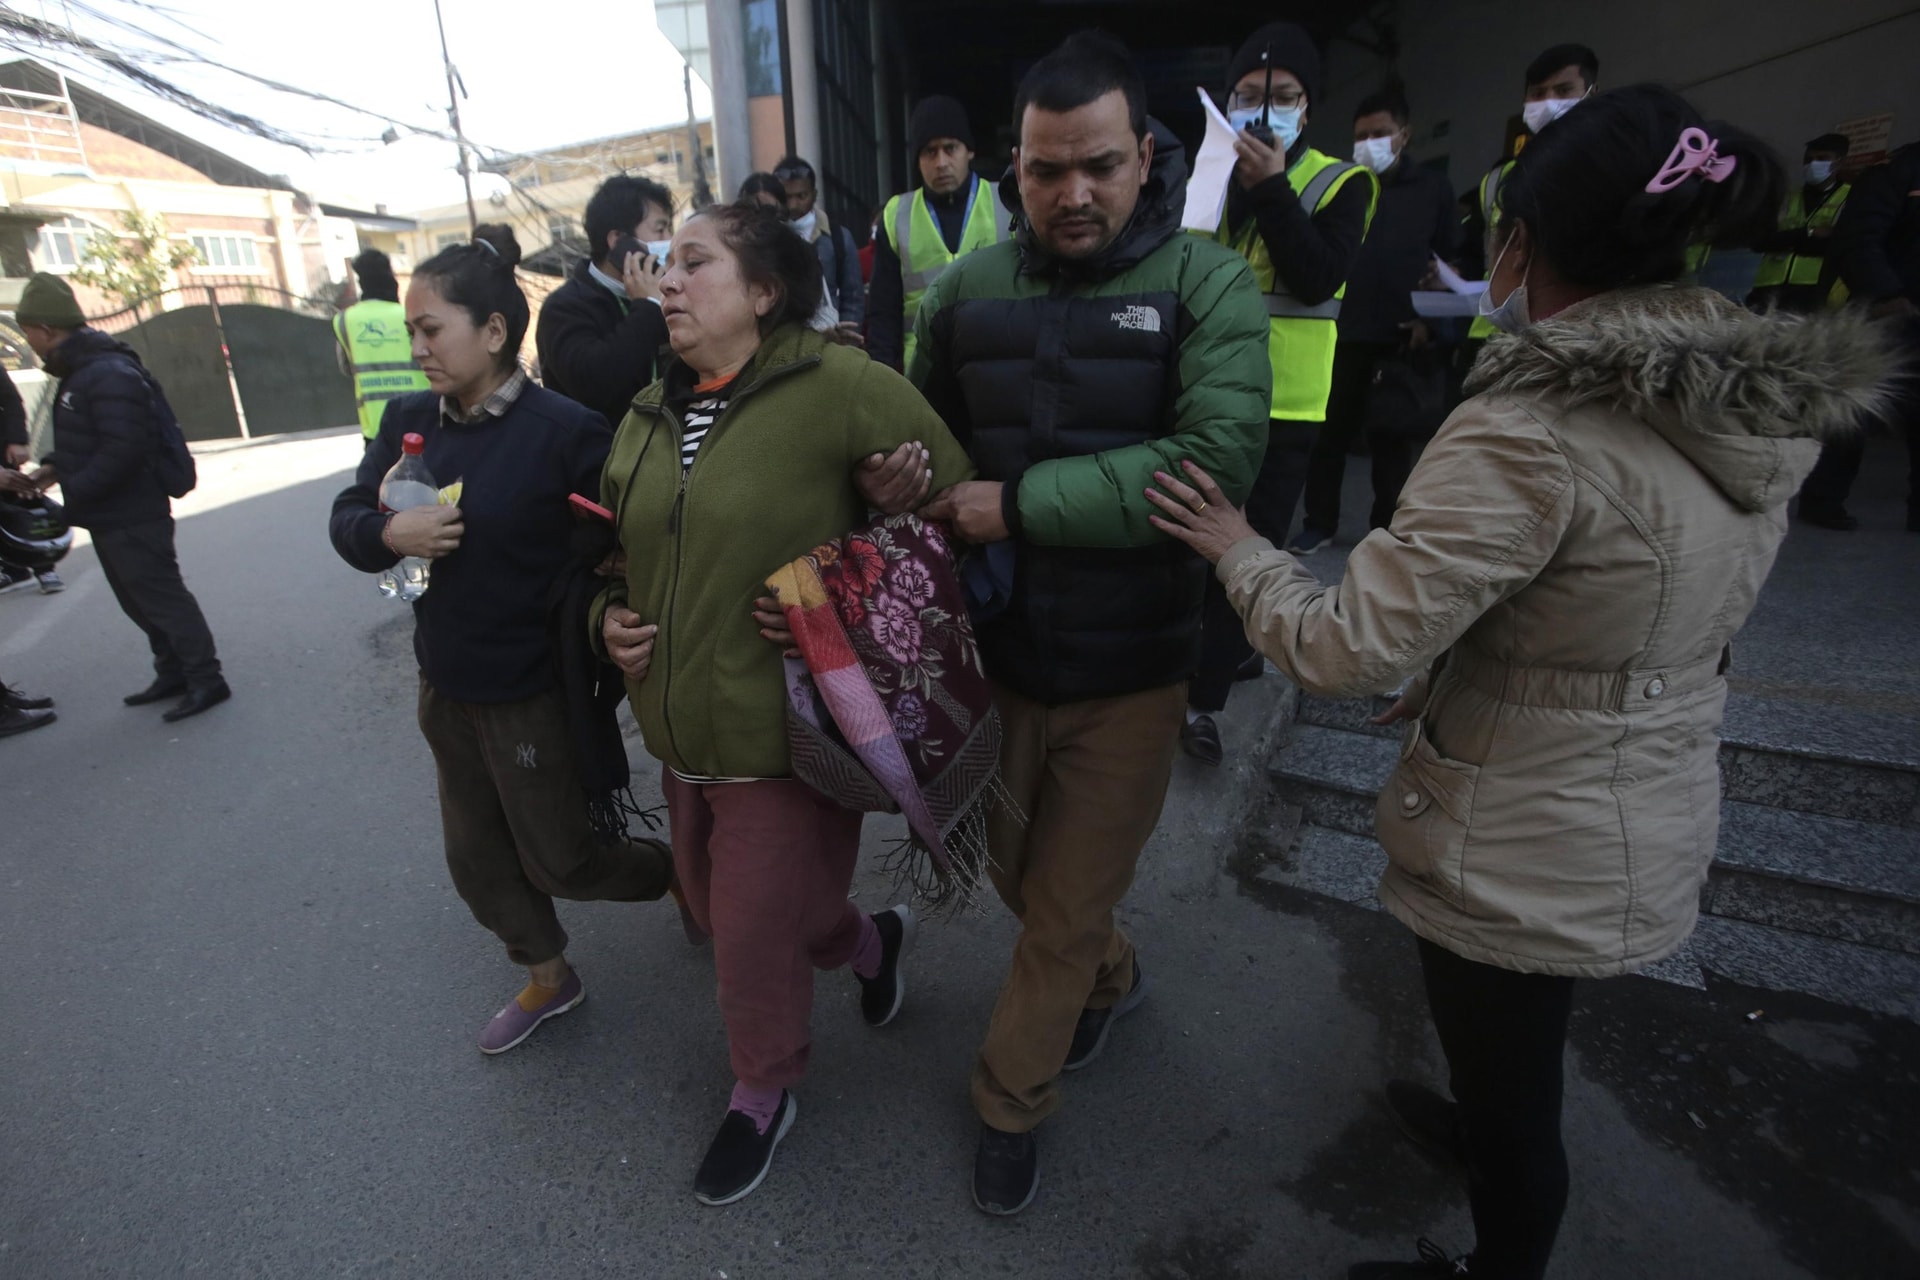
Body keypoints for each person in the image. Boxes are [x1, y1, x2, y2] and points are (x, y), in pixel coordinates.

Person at [1146, 86, 1893, 1280]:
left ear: (1522, 240)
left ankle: (1501, 1251)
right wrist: (1463, 654)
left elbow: (1346, 645)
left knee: (1515, 1078)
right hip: (1632, 775)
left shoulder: (1531, 429)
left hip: (1528, 821)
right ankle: (1483, 1129)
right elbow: (1604, 583)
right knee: (1512, 1045)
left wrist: (1238, 546)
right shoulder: (1749, 394)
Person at [908, 31, 1270, 1216]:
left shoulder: (1206, 283)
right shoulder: (964, 291)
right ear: (1014, 167)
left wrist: (1010, 505)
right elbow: (929, 448)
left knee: (1058, 911)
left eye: (1101, 167)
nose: (1074, 194)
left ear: (1146, 155)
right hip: (1000, 661)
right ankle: (1113, 975)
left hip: (1134, 669)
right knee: (1020, 879)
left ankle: (1011, 1098)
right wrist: (900, 476)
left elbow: (1212, 463)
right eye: (1047, 170)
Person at [592, 202, 973, 1207]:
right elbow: (614, 558)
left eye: (694, 264)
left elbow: (955, 509)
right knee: (733, 905)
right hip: (678, 729)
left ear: (764, 292)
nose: (666, 282)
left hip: (789, 728)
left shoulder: (840, 384)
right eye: (663, 265)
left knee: (749, 926)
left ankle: (763, 1085)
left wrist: (872, 527)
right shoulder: (644, 413)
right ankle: (869, 941)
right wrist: (604, 617)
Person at [329, 225, 676, 1056]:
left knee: (564, 859)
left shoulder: (567, 431)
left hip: (531, 689)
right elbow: (347, 517)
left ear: (492, 330)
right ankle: (550, 977)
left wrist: (612, 617)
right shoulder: (410, 422)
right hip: (445, 682)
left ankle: (681, 875)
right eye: (412, 330)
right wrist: (388, 533)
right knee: (476, 856)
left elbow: (621, 548)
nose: (417, 347)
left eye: (430, 328)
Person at [1185, 21, 1377, 766]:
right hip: (1200, 395)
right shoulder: (1204, 176)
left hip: (1284, 405)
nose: (1264, 113)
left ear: (1309, 106)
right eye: (1247, 96)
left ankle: (1202, 706)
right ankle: (1220, 658)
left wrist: (1271, 190)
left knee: (1243, 551)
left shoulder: (1338, 182)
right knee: (1188, 544)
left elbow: (1317, 275)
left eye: (1285, 98)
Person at [16, 273, 228, 722]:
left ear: (47, 329)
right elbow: (93, 436)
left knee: (162, 598)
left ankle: (207, 680)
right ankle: (172, 672)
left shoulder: (106, 371)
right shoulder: (83, 370)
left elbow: (124, 447)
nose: (27, 340)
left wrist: (75, 492)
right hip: (112, 513)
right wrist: (55, 466)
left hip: (133, 512)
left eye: (28, 331)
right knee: (138, 601)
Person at [1293, 85, 1456, 555]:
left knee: (1391, 442)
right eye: (1361, 134)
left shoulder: (1432, 190)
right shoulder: (1344, 183)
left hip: (1401, 335)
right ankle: (1318, 522)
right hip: (1341, 331)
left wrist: (1434, 316)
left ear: (1403, 135)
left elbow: (1451, 259)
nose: (1369, 143)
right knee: (1328, 437)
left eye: (1380, 133)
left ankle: (1384, 532)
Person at [1754, 133, 1858, 529]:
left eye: (1824, 158)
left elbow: (1847, 244)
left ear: (1840, 162)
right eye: (1811, 157)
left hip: (1823, 304)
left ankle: (1822, 498)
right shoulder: (1791, 198)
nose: (1815, 163)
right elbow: (1760, 238)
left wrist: (1794, 240)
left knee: (1822, 399)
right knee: (1769, 392)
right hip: (1773, 300)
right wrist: (1814, 236)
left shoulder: (1854, 198)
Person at [1464, 44, 1599, 347]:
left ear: (1591, 93)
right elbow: (1483, 255)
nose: (1549, 103)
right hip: (1494, 338)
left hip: (1571, 338)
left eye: (1563, 91)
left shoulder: (1609, 172)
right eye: (1538, 94)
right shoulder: (1498, 180)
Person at [868, 95, 1010, 370]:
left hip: (996, 369)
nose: (941, 162)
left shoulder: (1006, 204)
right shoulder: (897, 216)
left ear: (969, 151)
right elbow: (883, 314)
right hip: (924, 375)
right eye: (929, 152)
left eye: (950, 148)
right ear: (918, 160)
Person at [534, 174, 674, 432]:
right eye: (660, 229)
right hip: (601, 462)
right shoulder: (565, 308)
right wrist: (648, 307)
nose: (669, 240)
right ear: (619, 241)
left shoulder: (670, 295)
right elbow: (595, 383)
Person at [1832, 140, 1920, 531]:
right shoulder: (1899, 168)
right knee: (1854, 411)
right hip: (1893, 312)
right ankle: (1823, 500)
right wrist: (1886, 294)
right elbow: (1858, 236)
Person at [334, 248, 429, 443]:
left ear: (361, 281)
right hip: (422, 422)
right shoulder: (409, 314)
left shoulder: (345, 320)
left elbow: (345, 367)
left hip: (376, 429)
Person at [774, 155, 866, 345]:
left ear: (814, 195)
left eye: (801, 196)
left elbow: (854, 296)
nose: (793, 205)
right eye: (787, 197)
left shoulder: (839, 237)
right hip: (784, 344)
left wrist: (845, 341)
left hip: (833, 344)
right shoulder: (769, 238)